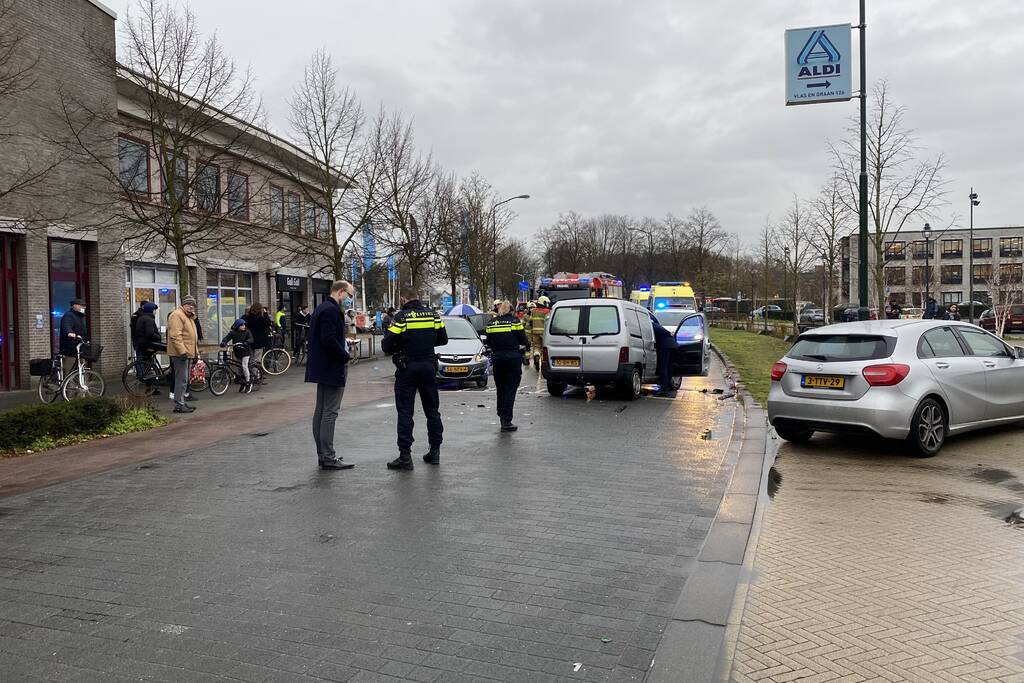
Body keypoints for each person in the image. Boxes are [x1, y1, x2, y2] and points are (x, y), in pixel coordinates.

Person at [381, 286, 448, 470]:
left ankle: (405, 457)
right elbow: (443, 339)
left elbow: (387, 345)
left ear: (403, 299)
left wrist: (402, 344)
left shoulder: (402, 317)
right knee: (432, 410)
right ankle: (434, 452)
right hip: (428, 366)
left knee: (405, 412)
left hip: (407, 367)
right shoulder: (433, 315)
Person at [306, 280, 356, 470]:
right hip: (332, 366)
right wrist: (344, 355)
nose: (349, 300)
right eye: (349, 296)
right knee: (330, 412)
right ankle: (328, 456)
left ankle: (323, 454)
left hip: (322, 366)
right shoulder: (331, 310)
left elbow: (326, 337)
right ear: (341, 292)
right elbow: (328, 339)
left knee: (321, 410)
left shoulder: (321, 308)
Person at [485, 301, 529, 432]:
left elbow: (488, 341)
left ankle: (501, 413)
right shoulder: (515, 322)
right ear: (510, 310)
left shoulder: (492, 323)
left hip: (498, 358)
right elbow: (523, 339)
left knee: (500, 388)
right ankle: (506, 420)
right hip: (512, 358)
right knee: (510, 388)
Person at [167, 295, 199, 413]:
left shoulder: (188, 317)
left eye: (193, 304)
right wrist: (182, 352)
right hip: (180, 354)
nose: (191, 306)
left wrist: (196, 354)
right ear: (183, 305)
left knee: (184, 380)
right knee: (181, 380)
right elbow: (175, 335)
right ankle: (179, 405)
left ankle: (181, 403)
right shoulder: (177, 315)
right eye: (188, 304)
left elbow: (192, 338)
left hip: (188, 353)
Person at [220, 319, 255, 393]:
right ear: (237, 326)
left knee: (244, 366)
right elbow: (227, 338)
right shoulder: (233, 333)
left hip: (246, 352)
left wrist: (247, 342)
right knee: (239, 367)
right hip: (238, 352)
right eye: (242, 325)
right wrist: (223, 342)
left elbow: (251, 339)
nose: (244, 326)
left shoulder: (247, 332)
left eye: (244, 325)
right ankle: (242, 381)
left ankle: (248, 382)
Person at [650, 313, 678, 397]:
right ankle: (667, 387)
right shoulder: (656, 325)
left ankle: (663, 388)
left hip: (666, 346)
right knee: (668, 367)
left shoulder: (652, 326)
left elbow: (666, 333)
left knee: (663, 367)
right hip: (672, 345)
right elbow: (668, 333)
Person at [58, 298, 88, 375]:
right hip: (70, 348)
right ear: (74, 306)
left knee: (82, 369)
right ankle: (66, 382)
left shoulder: (81, 316)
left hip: (80, 348)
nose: (84, 307)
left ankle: (81, 382)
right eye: (82, 305)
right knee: (68, 370)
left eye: (84, 305)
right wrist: (70, 333)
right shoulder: (68, 316)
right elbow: (66, 327)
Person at [243, 303, 273, 368]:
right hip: (259, 342)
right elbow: (268, 323)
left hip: (249, 341)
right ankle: (255, 373)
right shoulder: (260, 318)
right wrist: (265, 314)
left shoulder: (246, 317)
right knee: (257, 360)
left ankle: (249, 372)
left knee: (250, 359)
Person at [527, 296, 551, 367]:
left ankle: (536, 355)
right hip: (544, 333)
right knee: (544, 348)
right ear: (543, 302)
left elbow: (530, 322)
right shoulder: (547, 311)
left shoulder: (533, 311)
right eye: (546, 303)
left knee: (536, 346)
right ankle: (543, 362)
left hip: (535, 332)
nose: (547, 304)